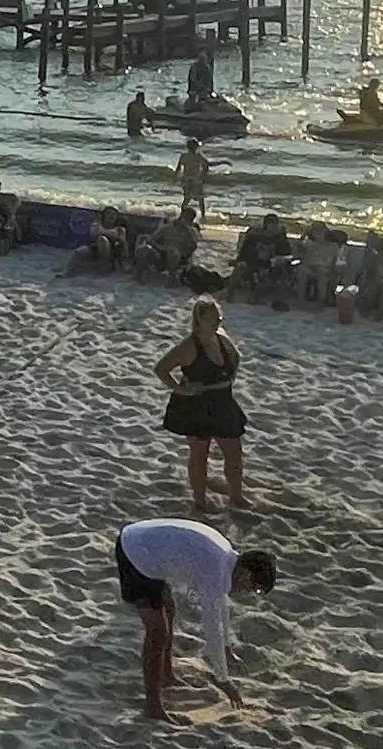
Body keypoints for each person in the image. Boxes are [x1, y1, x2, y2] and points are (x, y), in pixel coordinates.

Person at [114, 517, 276, 720]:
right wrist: (223, 680)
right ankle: (153, 707)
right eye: (254, 587)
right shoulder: (215, 571)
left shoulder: (226, 558)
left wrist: (227, 650)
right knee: (157, 632)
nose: (248, 592)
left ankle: (167, 677)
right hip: (136, 553)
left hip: (149, 547)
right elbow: (212, 626)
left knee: (169, 610)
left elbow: (220, 607)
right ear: (244, 572)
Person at [156, 297, 247, 512]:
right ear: (199, 320)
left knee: (234, 452)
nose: (217, 322)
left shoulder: (222, 338)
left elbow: (236, 357)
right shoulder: (189, 346)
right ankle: (199, 501)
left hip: (223, 400)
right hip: (197, 404)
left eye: (219, 318)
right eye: (212, 319)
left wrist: (228, 378)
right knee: (199, 454)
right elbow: (161, 368)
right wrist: (181, 388)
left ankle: (237, 496)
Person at [175, 136, 209, 218]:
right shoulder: (198, 156)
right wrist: (203, 174)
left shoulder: (183, 156)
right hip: (196, 180)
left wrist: (176, 177)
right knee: (200, 200)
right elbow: (206, 165)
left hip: (186, 180)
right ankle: (203, 217)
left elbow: (178, 168)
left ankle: (182, 216)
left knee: (186, 199)